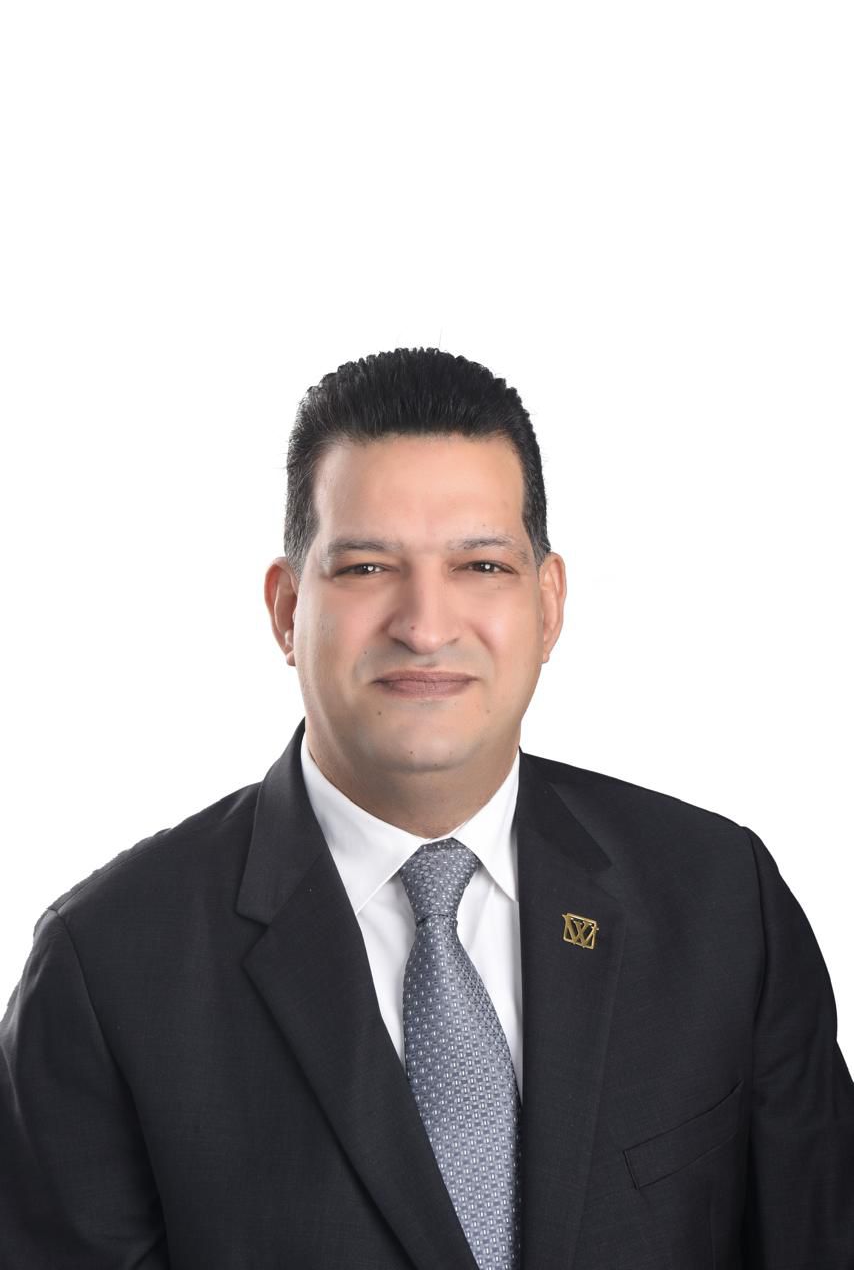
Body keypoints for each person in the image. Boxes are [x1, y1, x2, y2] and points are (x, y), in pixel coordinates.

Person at [1, 347, 852, 1270]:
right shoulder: (107, 969)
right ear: (287, 609)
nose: (426, 625)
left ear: (549, 605)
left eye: (481, 564)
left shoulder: (723, 905)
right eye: (367, 567)